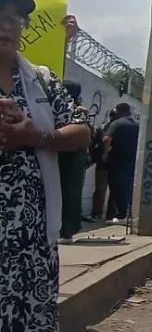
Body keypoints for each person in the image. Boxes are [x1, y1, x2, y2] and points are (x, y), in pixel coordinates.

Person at [0, 0, 91, 332]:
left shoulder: (40, 78)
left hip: (33, 232)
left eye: (14, 18)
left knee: (39, 321)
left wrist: (34, 136)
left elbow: (81, 131)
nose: (5, 24)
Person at [57, 80, 90, 243]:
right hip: (77, 157)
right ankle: (70, 228)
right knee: (73, 193)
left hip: (65, 156)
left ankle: (66, 229)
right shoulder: (81, 111)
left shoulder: (68, 109)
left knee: (64, 193)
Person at [102, 102, 139, 223]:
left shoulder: (117, 124)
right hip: (134, 161)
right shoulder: (137, 125)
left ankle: (122, 215)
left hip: (118, 160)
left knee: (118, 187)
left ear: (118, 111)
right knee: (129, 188)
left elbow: (107, 139)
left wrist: (105, 153)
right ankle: (129, 214)